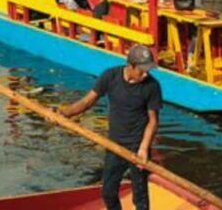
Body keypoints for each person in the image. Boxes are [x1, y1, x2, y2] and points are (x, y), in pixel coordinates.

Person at [58, 46, 162, 210]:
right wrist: (63, 114)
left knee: (140, 196)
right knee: (108, 191)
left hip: (138, 146)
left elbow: (153, 121)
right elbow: (87, 102)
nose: (146, 74)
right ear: (131, 66)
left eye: (148, 70)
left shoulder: (152, 86)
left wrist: (143, 148)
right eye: (142, 71)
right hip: (115, 144)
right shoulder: (110, 76)